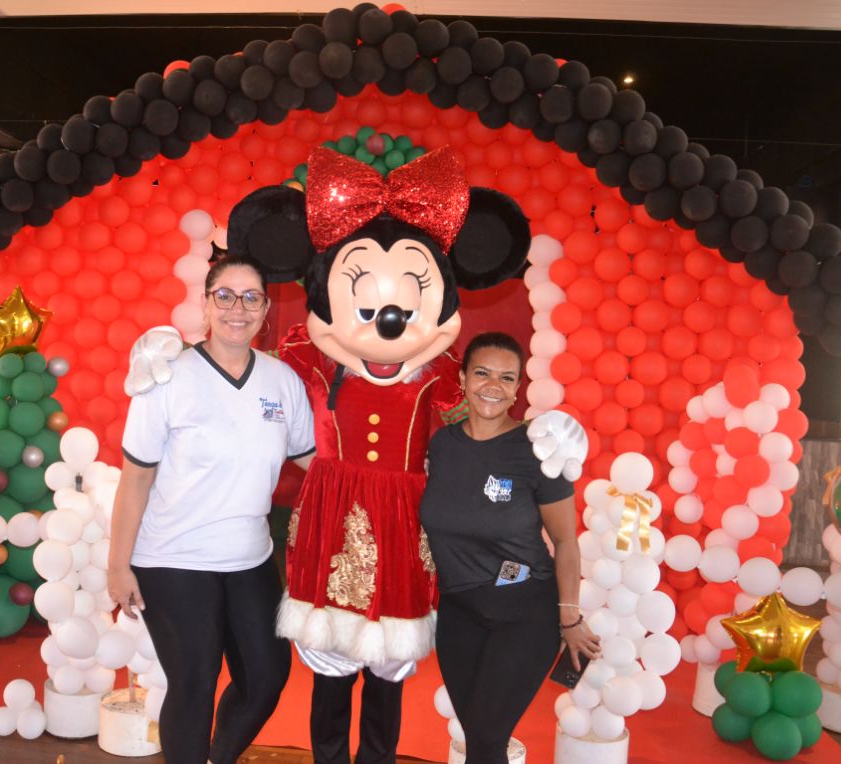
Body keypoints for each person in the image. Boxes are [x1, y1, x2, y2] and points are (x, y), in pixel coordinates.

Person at [221, 146, 589, 764]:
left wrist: (550, 427)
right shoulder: (309, 359)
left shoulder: (442, 375)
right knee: (331, 670)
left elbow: (488, 421)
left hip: (404, 525)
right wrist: (185, 357)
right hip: (331, 519)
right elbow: (250, 379)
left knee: (387, 670)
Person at [107, 254, 316, 764]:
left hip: (249, 557)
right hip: (172, 558)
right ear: (205, 304)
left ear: (266, 309)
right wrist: (117, 566)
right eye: (224, 295)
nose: (237, 309)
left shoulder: (282, 381)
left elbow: (317, 462)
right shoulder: (167, 379)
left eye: (251, 297)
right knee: (195, 682)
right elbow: (136, 479)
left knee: (266, 678)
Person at [419, 332, 602, 764]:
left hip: (525, 611)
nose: (493, 386)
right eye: (482, 373)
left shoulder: (537, 453)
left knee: (486, 737)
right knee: (480, 739)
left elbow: (565, 541)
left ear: (518, 387)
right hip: (459, 611)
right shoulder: (442, 446)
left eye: (506, 378)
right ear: (463, 379)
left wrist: (570, 618)